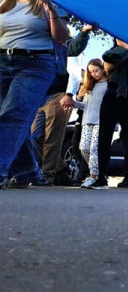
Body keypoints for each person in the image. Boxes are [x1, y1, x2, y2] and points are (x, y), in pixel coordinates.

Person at [0, 0, 68, 189]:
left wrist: (51, 12)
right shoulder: (5, 4)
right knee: (8, 117)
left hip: (35, 64)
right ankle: (25, 171)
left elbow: (62, 38)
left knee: (14, 114)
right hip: (3, 62)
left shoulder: (46, 3)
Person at [32, 22, 93, 186]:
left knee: (53, 137)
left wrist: (69, 94)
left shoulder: (66, 45)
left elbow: (74, 71)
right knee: (33, 136)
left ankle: (48, 175)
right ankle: (59, 168)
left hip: (59, 95)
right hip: (41, 97)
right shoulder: (41, 43)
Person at [91, 39, 128, 190]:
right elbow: (108, 68)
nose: (120, 39)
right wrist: (126, 51)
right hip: (112, 96)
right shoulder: (111, 54)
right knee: (104, 137)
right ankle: (102, 177)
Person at [73, 59, 108, 188]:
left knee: (94, 149)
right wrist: (74, 102)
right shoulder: (89, 86)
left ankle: (94, 176)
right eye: (90, 71)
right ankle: (95, 172)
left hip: (100, 122)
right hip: (87, 121)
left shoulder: (107, 85)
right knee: (84, 148)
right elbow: (85, 106)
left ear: (102, 69)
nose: (93, 74)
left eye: (95, 70)